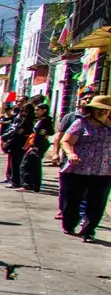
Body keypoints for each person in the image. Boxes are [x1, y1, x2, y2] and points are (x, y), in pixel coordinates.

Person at [58, 95, 111, 242]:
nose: (102, 112)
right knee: (72, 201)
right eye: (99, 109)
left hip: (103, 171)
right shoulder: (81, 123)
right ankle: (69, 224)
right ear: (92, 109)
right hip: (78, 169)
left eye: (106, 110)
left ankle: (88, 231)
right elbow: (65, 141)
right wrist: (70, 153)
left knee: (97, 203)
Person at [53, 92, 96, 222]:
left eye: (91, 99)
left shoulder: (101, 121)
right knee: (66, 188)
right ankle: (64, 210)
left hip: (92, 163)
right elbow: (59, 136)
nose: (87, 101)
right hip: (69, 159)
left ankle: (83, 215)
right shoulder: (71, 117)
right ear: (80, 101)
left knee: (87, 191)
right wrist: (55, 153)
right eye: (85, 98)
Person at [19, 104, 53, 192]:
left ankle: (28, 185)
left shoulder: (45, 121)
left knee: (26, 165)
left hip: (37, 146)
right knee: (32, 166)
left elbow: (47, 132)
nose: (36, 112)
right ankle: (33, 185)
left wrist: (35, 146)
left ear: (44, 110)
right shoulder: (40, 120)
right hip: (35, 145)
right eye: (35, 110)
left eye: (38, 110)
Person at [3, 103, 34, 188]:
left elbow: (17, 134)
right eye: (22, 110)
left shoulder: (25, 121)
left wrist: (7, 145)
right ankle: (18, 181)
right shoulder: (28, 120)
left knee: (15, 164)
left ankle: (15, 182)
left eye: (25, 111)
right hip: (22, 144)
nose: (22, 112)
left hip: (18, 145)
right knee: (18, 164)